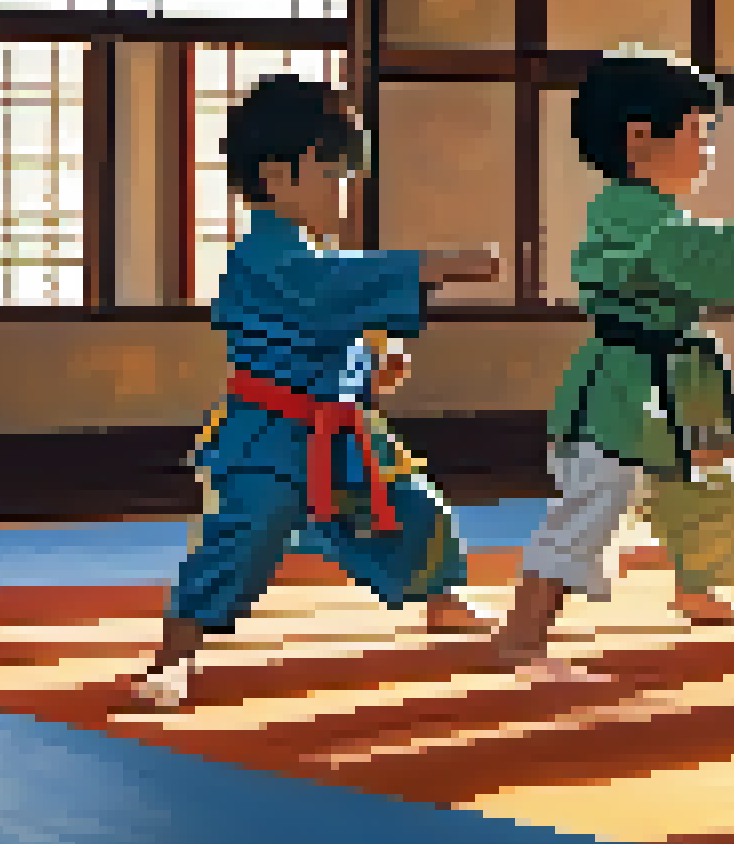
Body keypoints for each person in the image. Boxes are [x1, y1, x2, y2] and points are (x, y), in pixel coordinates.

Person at [133, 75, 502, 711]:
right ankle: (174, 655)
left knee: (414, 507)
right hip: (269, 435)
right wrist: (434, 264)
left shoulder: (311, 252)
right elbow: (327, 293)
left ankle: (442, 600)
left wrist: (374, 364)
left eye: (347, 174)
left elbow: (335, 328)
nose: (346, 189)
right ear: (276, 178)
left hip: (336, 430)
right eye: (331, 172)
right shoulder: (266, 255)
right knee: (242, 539)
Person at [490, 54, 734, 684]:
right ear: (640, 138)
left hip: (673, 380)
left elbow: (697, 258)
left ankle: (697, 584)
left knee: (713, 491)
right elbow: (688, 257)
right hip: (625, 384)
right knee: (596, 499)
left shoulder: (656, 212)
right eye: (697, 133)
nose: (707, 151)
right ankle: (521, 635)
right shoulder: (628, 212)